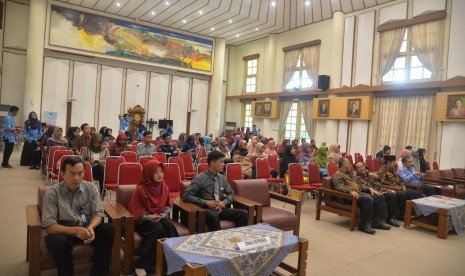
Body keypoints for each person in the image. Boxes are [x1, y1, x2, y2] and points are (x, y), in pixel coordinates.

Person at [41, 156, 114, 276]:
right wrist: (75, 230)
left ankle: (99, 272)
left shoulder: (90, 188)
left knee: (108, 229)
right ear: (63, 174)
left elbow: (98, 213)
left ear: (84, 173)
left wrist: (91, 227)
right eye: (72, 173)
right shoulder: (53, 193)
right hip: (64, 231)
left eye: (80, 173)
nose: (76, 178)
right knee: (57, 241)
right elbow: (49, 226)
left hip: (87, 228)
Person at [128, 160, 179, 276]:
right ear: (149, 173)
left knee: (169, 226)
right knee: (157, 229)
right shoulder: (140, 189)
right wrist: (150, 217)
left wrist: (162, 215)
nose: (160, 175)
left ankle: (173, 261)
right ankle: (142, 265)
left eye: (161, 171)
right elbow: (135, 211)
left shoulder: (163, 185)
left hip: (159, 216)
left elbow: (168, 205)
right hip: (143, 220)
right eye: (156, 172)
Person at [183, 151, 248, 231]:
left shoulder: (222, 178)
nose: (224, 165)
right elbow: (187, 196)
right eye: (221, 162)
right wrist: (206, 202)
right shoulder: (199, 178)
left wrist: (224, 202)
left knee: (242, 214)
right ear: (213, 163)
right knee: (213, 216)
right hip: (204, 209)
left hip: (220, 208)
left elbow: (231, 193)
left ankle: (239, 238)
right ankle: (217, 241)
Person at [332, 158, 391, 234]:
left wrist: (369, 189)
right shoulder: (337, 174)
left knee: (379, 197)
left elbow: (358, 185)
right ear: (343, 165)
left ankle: (377, 222)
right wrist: (350, 191)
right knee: (368, 199)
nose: (350, 165)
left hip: (358, 194)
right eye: (348, 163)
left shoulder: (349, 173)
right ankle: (364, 225)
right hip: (347, 196)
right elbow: (339, 186)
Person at [354, 162, 401, 227]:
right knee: (380, 197)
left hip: (377, 190)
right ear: (356, 170)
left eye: (362, 166)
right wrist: (374, 190)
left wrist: (385, 190)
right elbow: (362, 187)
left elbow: (377, 184)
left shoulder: (369, 175)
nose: (362, 168)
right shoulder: (356, 178)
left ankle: (389, 218)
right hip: (368, 192)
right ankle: (377, 221)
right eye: (359, 167)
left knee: (391, 195)